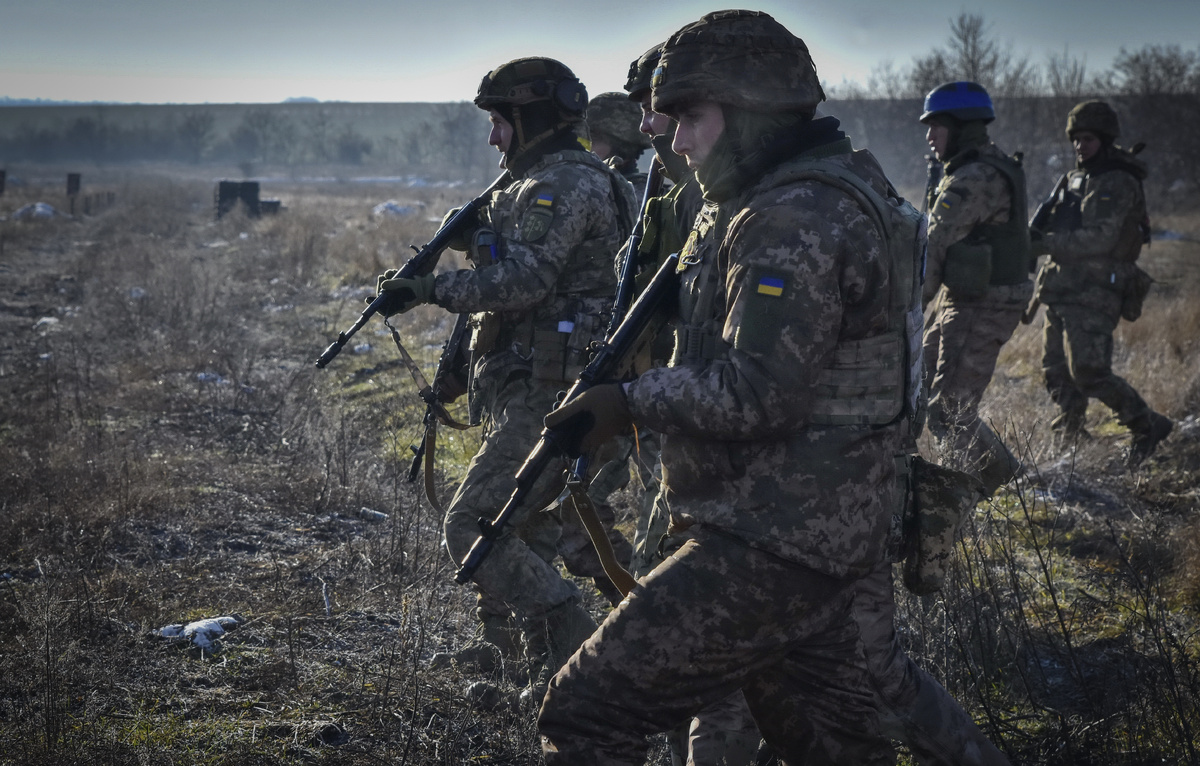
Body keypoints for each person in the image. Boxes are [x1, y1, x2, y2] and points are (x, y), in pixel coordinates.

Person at [537, 11, 923, 763]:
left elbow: (760, 393)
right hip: (810, 529)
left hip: (771, 536)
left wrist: (627, 404)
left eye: (690, 117)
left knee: (584, 711)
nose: (676, 141)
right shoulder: (791, 196)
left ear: (748, 113)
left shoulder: (788, 214)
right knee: (838, 746)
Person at [372, 56, 637, 700]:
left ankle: (582, 655)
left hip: (555, 392)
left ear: (532, 117)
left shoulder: (563, 186)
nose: (493, 137)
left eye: (499, 122)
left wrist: (427, 288)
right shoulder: (533, 182)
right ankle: (528, 662)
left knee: (472, 525)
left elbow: (524, 282)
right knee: (523, 526)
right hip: (531, 386)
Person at [1030, 100, 1172, 465]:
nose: (1080, 146)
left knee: (1089, 372)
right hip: (1064, 286)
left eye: (1088, 138)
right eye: (1075, 139)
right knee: (1056, 368)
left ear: (1105, 140)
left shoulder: (1117, 181)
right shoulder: (1079, 178)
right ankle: (1070, 435)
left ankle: (1146, 424)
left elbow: (1099, 239)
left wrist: (1045, 244)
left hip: (1096, 289)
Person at [919, 81, 1031, 496]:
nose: (930, 137)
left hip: (981, 303)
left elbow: (935, 245)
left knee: (950, 410)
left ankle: (987, 488)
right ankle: (991, 482)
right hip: (965, 297)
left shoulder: (974, 178)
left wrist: (909, 311)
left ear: (962, 127)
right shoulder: (984, 165)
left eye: (937, 127)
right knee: (923, 385)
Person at [586, 91, 654, 194]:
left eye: (594, 140)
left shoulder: (637, 194)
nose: (587, 148)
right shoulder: (589, 184)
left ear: (621, 147)